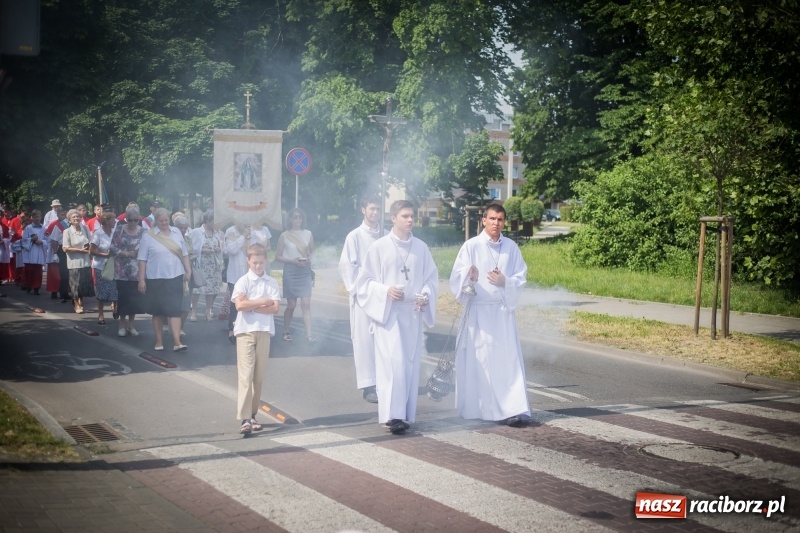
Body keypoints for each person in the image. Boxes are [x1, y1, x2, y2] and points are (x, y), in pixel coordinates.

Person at [356, 200, 438, 434]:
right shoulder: (380, 247)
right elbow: (365, 283)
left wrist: (426, 294)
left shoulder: (421, 247)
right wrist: (385, 291)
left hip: (412, 315)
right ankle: (393, 417)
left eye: (412, 216)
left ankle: (405, 414)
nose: (410, 220)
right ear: (393, 218)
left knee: (409, 366)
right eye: (405, 216)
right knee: (393, 365)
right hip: (389, 315)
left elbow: (431, 279)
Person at [449, 203, 531, 427]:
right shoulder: (471, 246)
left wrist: (506, 282)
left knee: (507, 363)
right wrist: (469, 275)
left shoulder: (511, 247)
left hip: (501, 312)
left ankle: (512, 410)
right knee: (481, 363)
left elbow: (521, 277)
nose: (496, 223)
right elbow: (456, 277)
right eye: (492, 219)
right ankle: (479, 408)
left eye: (500, 220)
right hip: (477, 312)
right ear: (484, 220)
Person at [231, 243, 281, 435]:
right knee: (246, 375)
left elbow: (275, 308)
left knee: (258, 377)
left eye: (261, 262)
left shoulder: (271, 282)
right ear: (248, 261)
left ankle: (252, 415)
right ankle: (244, 419)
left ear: (266, 261)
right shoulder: (243, 282)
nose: (258, 266)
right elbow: (239, 306)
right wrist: (263, 301)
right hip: (245, 331)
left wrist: (251, 304)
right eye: (255, 263)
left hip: (264, 330)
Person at [338, 195, 383, 403]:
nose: (375, 213)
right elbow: (348, 267)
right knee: (364, 340)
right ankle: (368, 385)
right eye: (371, 209)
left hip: (382, 296)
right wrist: (365, 287)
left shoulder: (385, 235)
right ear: (363, 210)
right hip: (363, 296)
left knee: (382, 340)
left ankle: (383, 380)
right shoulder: (354, 237)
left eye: (378, 209)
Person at [137, 207, 191, 352]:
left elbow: (184, 253)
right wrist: (141, 279)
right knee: (158, 312)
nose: (164, 223)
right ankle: (159, 341)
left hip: (175, 277)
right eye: (161, 221)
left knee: (175, 310)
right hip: (156, 279)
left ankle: (177, 342)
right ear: (156, 221)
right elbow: (142, 259)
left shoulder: (177, 232)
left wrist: (188, 270)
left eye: (166, 220)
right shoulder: (148, 236)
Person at [224, 219, 271, 343]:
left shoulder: (254, 231)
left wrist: (256, 233)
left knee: (251, 301)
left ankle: (251, 329)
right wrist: (243, 236)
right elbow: (231, 250)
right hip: (236, 274)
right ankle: (232, 329)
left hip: (252, 274)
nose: (244, 223)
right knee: (236, 303)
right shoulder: (231, 231)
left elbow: (261, 248)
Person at [275, 208, 315, 343]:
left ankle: (309, 336)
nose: (297, 220)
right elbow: (278, 256)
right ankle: (286, 331)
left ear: (302, 220)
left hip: (304, 270)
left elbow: (312, 252)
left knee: (306, 304)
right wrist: (292, 261)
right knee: (291, 305)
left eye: (299, 217)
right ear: (290, 219)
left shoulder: (308, 234)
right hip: (291, 270)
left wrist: (308, 259)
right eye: (294, 217)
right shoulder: (284, 235)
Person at [110, 205, 147, 337]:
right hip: (121, 271)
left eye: (135, 220)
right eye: (130, 220)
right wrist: (126, 253)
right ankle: (122, 325)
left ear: (139, 219)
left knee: (134, 300)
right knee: (123, 299)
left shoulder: (143, 232)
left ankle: (131, 325)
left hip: (137, 271)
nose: (132, 223)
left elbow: (147, 249)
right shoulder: (119, 230)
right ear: (126, 219)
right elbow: (112, 247)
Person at [189, 211, 223, 321]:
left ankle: (208, 311)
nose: (215, 224)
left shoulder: (217, 233)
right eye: (214, 221)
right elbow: (190, 246)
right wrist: (203, 250)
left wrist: (218, 249)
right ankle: (193, 311)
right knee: (197, 289)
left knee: (211, 289)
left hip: (212, 265)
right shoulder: (197, 232)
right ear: (207, 221)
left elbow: (222, 247)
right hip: (200, 264)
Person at [62, 208, 95, 313]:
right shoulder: (67, 231)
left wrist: (89, 248)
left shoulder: (85, 229)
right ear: (69, 220)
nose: (76, 218)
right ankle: (76, 304)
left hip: (85, 261)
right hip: (74, 262)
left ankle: (81, 302)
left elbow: (91, 242)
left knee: (83, 284)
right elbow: (65, 248)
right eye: (74, 217)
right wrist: (79, 250)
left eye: (78, 216)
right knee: (75, 285)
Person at [89, 212, 119, 325]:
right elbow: (91, 250)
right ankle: (100, 315)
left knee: (115, 289)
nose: (115, 222)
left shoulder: (114, 232)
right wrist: (103, 254)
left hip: (114, 265)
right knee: (101, 291)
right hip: (100, 266)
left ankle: (115, 308)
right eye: (113, 220)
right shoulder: (98, 234)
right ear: (106, 221)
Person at [44, 207, 71, 302]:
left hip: (72, 250)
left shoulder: (73, 224)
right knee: (63, 273)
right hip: (62, 250)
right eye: (62, 215)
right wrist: (55, 254)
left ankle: (68, 292)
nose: (64, 217)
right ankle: (62, 293)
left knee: (70, 273)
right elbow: (53, 240)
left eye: (65, 215)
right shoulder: (57, 225)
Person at [21, 209, 47, 295]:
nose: (37, 218)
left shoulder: (44, 228)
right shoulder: (28, 228)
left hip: (39, 251)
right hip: (31, 251)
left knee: (38, 271)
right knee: (30, 270)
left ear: (41, 217)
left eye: (38, 217)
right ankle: (29, 285)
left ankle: (36, 288)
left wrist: (42, 242)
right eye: (35, 217)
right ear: (32, 218)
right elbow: (23, 240)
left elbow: (47, 239)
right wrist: (31, 239)